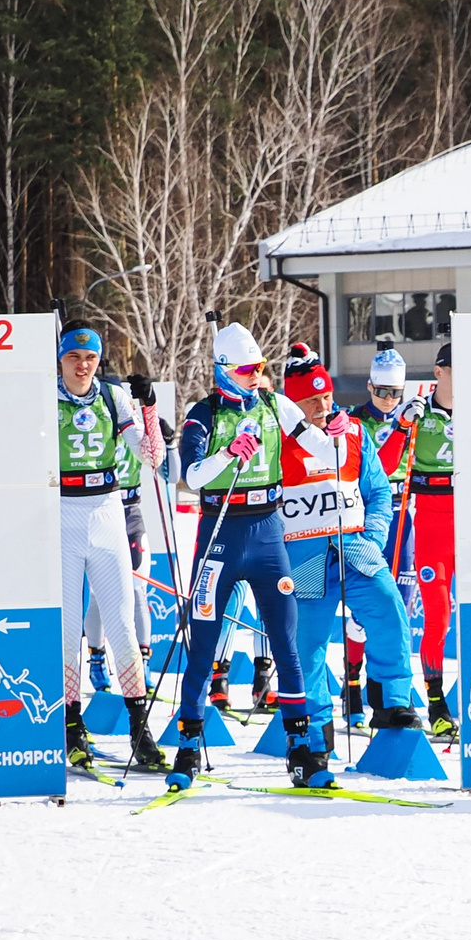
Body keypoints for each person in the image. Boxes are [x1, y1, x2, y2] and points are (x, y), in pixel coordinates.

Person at [164, 322, 336, 792]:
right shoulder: (205, 413)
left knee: (286, 640)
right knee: (202, 644)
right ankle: (187, 747)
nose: (256, 376)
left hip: (267, 533)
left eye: (260, 367)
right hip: (220, 533)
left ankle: (301, 750)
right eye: (246, 369)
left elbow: (319, 445)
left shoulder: (273, 404)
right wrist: (227, 455)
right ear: (223, 371)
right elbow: (192, 477)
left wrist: (336, 427)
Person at [278, 345, 419, 744]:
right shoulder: (281, 439)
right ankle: (317, 726)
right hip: (304, 557)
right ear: (293, 403)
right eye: (311, 401)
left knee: (390, 610)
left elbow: (377, 492)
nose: (323, 407)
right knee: (307, 645)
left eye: (326, 397)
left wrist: (372, 537)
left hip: (355, 550)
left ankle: (391, 701)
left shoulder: (353, 432)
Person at [56, 321, 168, 774]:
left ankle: (140, 730)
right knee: (66, 628)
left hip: (106, 511)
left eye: (90, 359)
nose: (83, 366)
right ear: (60, 360)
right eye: (73, 358)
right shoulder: (46, 398)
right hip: (60, 511)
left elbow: (153, 457)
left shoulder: (112, 396)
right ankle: (70, 726)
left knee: (121, 623)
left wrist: (148, 407)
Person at [341, 341, 417, 720]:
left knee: (399, 604)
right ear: (370, 388)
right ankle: (352, 681)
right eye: (382, 392)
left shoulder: (412, 418)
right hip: (367, 518)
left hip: (403, 515)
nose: (389, 399)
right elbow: (381, 470)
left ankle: (385, 692)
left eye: (396, 393)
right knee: (363, 608)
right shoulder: (355, 421)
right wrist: (401, 428)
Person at [403, 340, 458, 737]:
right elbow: (389, 462)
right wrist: (404, 425)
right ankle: (436, 702)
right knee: (437, 616)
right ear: (439, 372)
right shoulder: (419, 410)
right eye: (457, 370)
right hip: (432, 521)